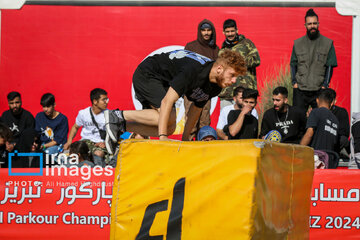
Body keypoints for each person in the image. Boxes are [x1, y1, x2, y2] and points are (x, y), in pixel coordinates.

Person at [104, 49, 246, 153]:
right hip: (148, 73)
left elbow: (195, 111)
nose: (234, 81)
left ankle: (121, 125)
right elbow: (167, 102)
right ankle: (117, 115)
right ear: (220, 69)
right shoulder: (194, 71)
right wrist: (162, 137)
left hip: (164, 81)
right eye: (232, 75)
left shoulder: (215, 86)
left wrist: (184, 142)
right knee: (168, 119)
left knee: (170, 127)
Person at [290, 8, 337, 115]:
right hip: (300, 90)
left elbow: (330, 65)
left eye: (314, 23)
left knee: (320, 119)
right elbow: (293, 64)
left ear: (318, 24)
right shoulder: (298, 43)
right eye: (309, 24)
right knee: (298, 120)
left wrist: (325, 85)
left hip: (319, 90)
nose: (312, 26)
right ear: (305, 25)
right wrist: (294, 82)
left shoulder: (327, 43)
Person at [183, 19, 220, 140]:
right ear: (199, 32)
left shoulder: (215, 49)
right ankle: (186, 150)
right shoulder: (191, 46)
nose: (206, 33)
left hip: (206, 91)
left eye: (209, 30)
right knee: (191, 124)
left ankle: (203, 151)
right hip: (191, 91)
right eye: (203, 30)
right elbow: (185, 68)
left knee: (204, 123)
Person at [218, 19, 260, 109]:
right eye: (227, 32)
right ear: (223, 32)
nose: (230, 34)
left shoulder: (246, 43)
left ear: (237, 30)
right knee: (227, 122)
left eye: (232, 31)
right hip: (227, 95)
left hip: (245, 94)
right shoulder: (221, 51)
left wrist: (237, 63)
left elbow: (256, 60)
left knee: (246, 121)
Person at [64, 88, 110, 166]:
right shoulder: (83, 113)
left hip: (99, 143)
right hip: (85, 142)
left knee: (98, 154)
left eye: (107, 99)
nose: (106, 102)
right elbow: (75, 127)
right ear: (95, 101)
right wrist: (69, 141)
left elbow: (115, 133)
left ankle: (98, 174)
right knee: (73, 153)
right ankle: (71, 174)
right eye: (104, 100)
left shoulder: (109, 115)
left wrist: (106, 142)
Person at [328, 88, 350, 157]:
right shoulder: (317, 112)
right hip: (322, 140)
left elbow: (345, 132)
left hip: (336, 140)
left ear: (334, 101)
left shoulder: (341, 112)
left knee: (344, 140)